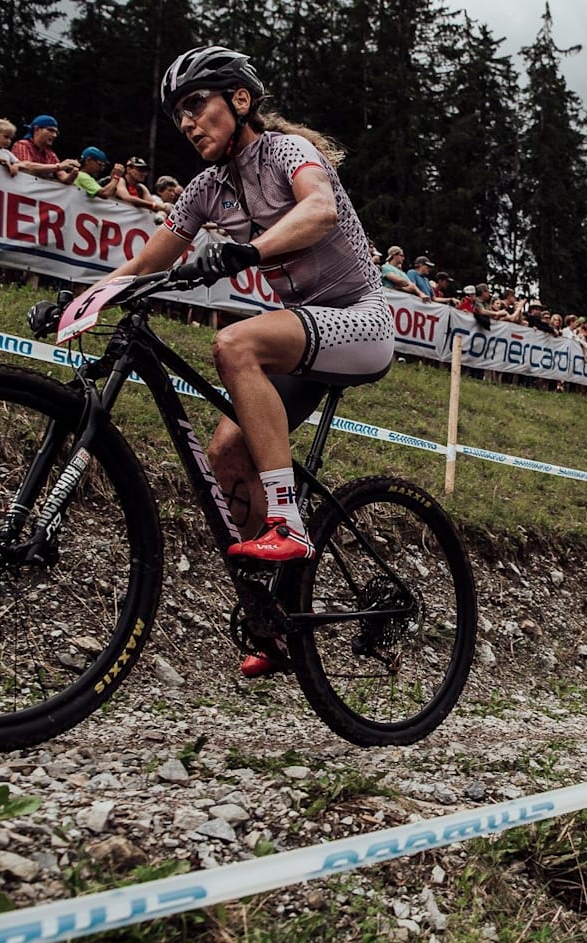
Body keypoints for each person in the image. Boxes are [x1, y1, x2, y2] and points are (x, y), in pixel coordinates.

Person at [28, 46, 391, 677]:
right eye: (179, 115)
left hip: (361, 319)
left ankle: (288, 521)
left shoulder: (285, 153)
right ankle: (275, 613)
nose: (190, 123)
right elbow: (147, 262)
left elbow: (319, 208)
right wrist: (79, 298)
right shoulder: (206, 189)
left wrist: (247, 253)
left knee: (233, 344)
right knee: (226, 451)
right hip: (304, 336)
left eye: (198, 104)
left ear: (240, 100)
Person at [11, 114, 79, 182]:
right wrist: (59, 166)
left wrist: (73, 173)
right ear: (37, 129)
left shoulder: (51, 154)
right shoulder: (22, 144)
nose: (54, 135)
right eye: (50, 130)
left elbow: (63, 177)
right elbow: (25, 166)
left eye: (56, 132)